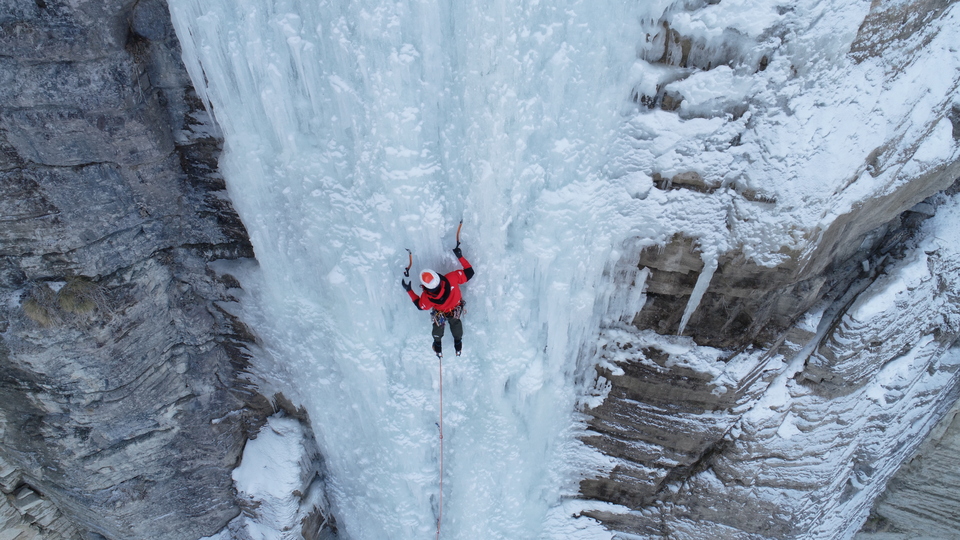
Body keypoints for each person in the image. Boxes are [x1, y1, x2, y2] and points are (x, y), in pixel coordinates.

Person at [402, 246, 474, 358]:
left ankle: (438, 345)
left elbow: (420, 306)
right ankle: (458, 345)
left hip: (440, 312)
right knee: (456, 323)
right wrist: (460, 256)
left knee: (438, 326)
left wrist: (409, 290)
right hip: (455, 307)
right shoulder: (452, 278)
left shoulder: (427, 297)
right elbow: (470, 272)